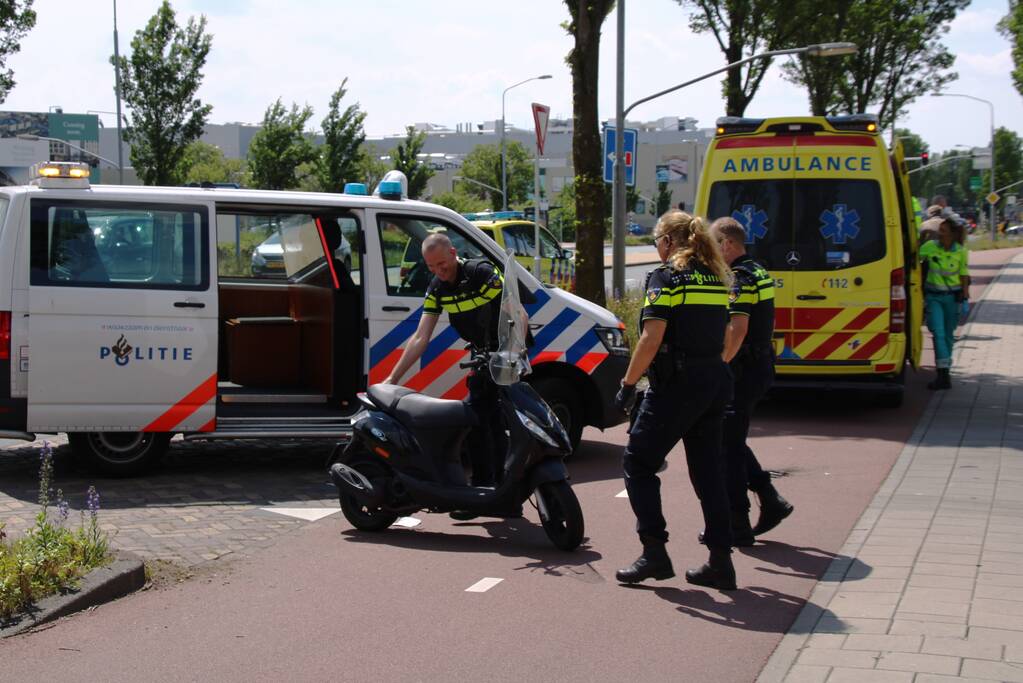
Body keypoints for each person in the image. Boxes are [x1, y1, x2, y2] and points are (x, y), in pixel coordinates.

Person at [614, 210, 737, 590]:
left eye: (657, 242)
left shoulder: (666, 277)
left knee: (638, 463)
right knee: (708, 471)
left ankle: (654, 552)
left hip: (677, 384)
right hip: (714, 380)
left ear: (668, 241)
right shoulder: (715, 276)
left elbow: (652, 337)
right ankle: (721, 562)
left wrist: (628, 384)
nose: (657, 248)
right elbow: (727, 331)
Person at [381, 232, 513, 515]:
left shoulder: (481, 273)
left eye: (442, 264)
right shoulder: (437, 288)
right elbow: (421, 337)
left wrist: (514, 352)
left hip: (507, 354)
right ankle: (491, 494)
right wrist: (393, 379)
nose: (438, 271)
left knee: (495, 420)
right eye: (431, 267)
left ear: (453, 253)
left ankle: (498, 493)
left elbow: (514, 311)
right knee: (480, 420)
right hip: (481, 357)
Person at [711, 217, 793, 544]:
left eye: (714, 244)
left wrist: (720, 365)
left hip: (743, 369)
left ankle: (739, 522)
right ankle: (768, 500)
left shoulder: (740, 278)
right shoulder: (759, 270)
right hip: (759, 364)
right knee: (729, 440)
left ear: (728, 244)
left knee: (727, 447)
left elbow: (738, 328)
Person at [920, 219, 970, 390]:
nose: (939, 234)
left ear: (953, 234)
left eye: (943, 231)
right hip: (933, 298)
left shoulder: (961, 251)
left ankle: (945, 371)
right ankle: (942, 374)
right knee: (939, 333)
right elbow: (914, 260)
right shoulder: (930, 246)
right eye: (939, 230)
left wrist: (965, 297)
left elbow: (964, 273)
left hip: (952, 299)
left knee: (948, 336)